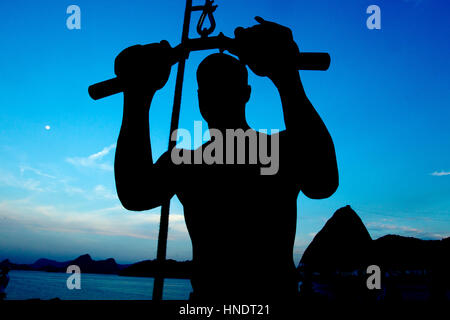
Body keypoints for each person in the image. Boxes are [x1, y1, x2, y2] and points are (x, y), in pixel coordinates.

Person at [114, 17, 338, 302]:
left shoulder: (280, 148)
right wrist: (136, 95)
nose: (216, 95)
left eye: (224, 86)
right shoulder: (186, 162)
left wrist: (286, 74)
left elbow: (323, 181)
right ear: (201, 98)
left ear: (245, 94)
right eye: (211, 88)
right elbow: (134, 194)